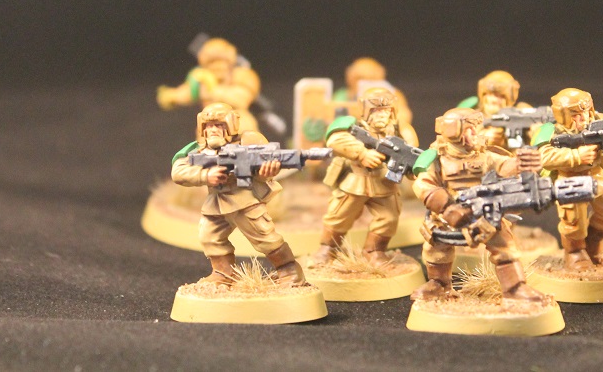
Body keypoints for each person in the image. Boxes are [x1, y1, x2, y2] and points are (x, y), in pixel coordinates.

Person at [411, 108, 544, 302]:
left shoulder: (485, 155)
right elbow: (423, 185)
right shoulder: (437, 159)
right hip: (447, 217)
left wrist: (520, 163)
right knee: (436, 248)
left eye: (475, 128)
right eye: (469, 129)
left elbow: (504, 165)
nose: (475, 133)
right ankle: (439, 284)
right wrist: (447, 208)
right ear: (454, 132)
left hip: (484, 215)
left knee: (504, 244)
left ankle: (514, 287)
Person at [170, 103, 305, 286]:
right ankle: (223, 273)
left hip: (245, 202)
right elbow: (178, 172)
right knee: (209, 236)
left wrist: (267, 172)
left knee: (265, 237)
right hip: (216, 203)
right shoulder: (199, 150)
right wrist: (205, 175)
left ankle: (290, 271)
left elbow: (263, 171)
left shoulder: (248, 144)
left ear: (230, 125)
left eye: (219, 125)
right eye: (209, 126)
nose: (213, 130)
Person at [310, 87, 419, 266]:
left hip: (385, 182)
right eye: (376, 111)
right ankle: (327, 248)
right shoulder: (353, 126)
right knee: (340, 215)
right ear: (366, 111)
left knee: (388, 218)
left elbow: (411, 154)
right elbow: (335, 140)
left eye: (386, 111)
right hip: (356, 181)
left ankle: (374, 251)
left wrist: (412, 170)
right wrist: (362, 153)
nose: (381, 115)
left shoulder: (401, 131)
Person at [533, 88, 603, 271]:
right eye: (575, 115)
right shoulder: (550, 131)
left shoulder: (600, 122)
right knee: (574, 222)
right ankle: (575, 253)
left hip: (596, 175)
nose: (583, 118)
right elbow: (542, 157)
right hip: (569, 180)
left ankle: (593, 243)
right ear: (562, 115)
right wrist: (576, 156)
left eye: (586, 111)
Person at [157, 38, 261, 130]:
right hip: (211, 125)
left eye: (222, 62)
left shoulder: (241, 75)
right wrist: (172, 96)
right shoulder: (204, 78)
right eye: (212, 63)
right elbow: (187, 93)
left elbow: (241, 100)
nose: (218, 66)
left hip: (238, 121)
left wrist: (212, 90)